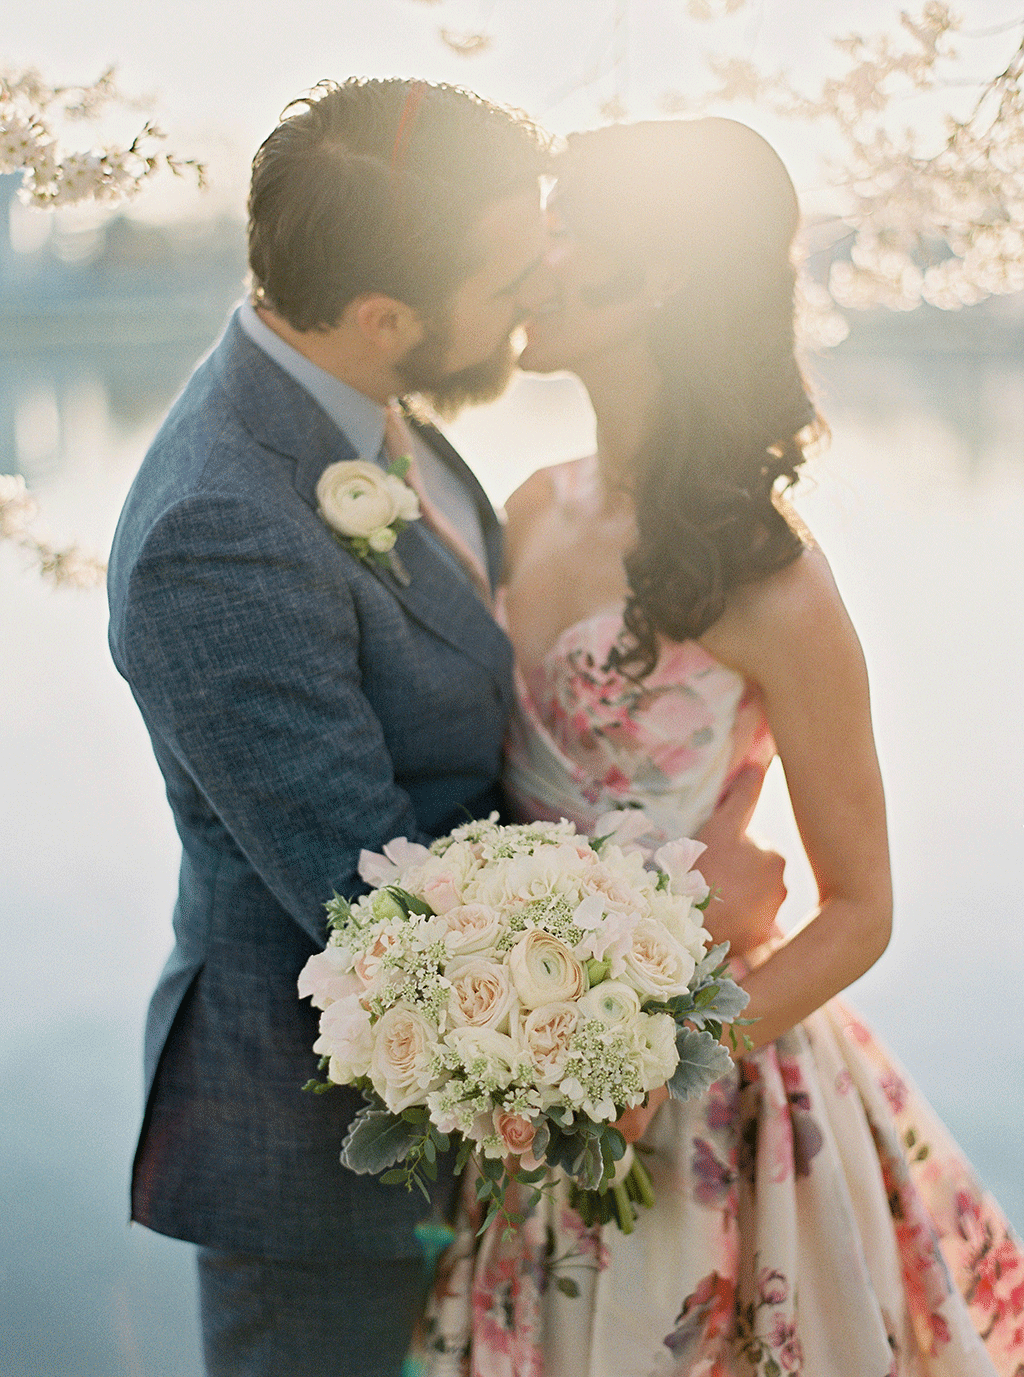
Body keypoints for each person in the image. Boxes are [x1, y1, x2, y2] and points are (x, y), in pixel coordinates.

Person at [107, 84, 785, 1377]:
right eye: (508, 269)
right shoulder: (221, 526)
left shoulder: (360, 406)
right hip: (317, 1165)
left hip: (477, 1127)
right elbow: (385, 901)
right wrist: (687, 913)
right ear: (385, 317)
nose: (541, 277)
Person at [416, 118, 1023, 1376]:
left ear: (660, 279)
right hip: (522, 1073)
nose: (536, 256)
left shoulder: (777, 584)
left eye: (568, 226)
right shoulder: (528, 502)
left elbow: (861, 909)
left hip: (693, 1091)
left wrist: (660, 1053)